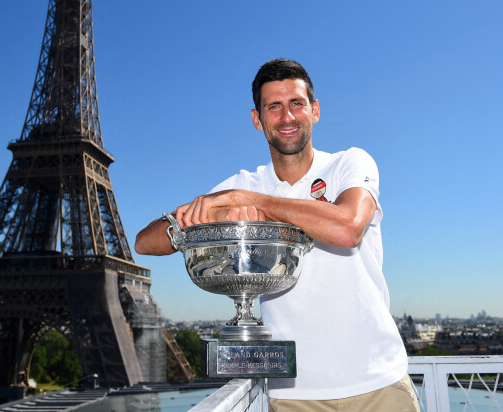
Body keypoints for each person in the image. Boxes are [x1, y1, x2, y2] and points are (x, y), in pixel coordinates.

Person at [136, 58, 419, 412]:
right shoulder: (241, 186)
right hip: (293, 397)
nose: (287, 117)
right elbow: (145, 242)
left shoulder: (349, 164)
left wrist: (247, 203)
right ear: (257, 119)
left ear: (314, 111)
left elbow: (347, 228)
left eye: (296, 104)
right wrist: (219, 214)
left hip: (377, 384)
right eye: (274, 107)